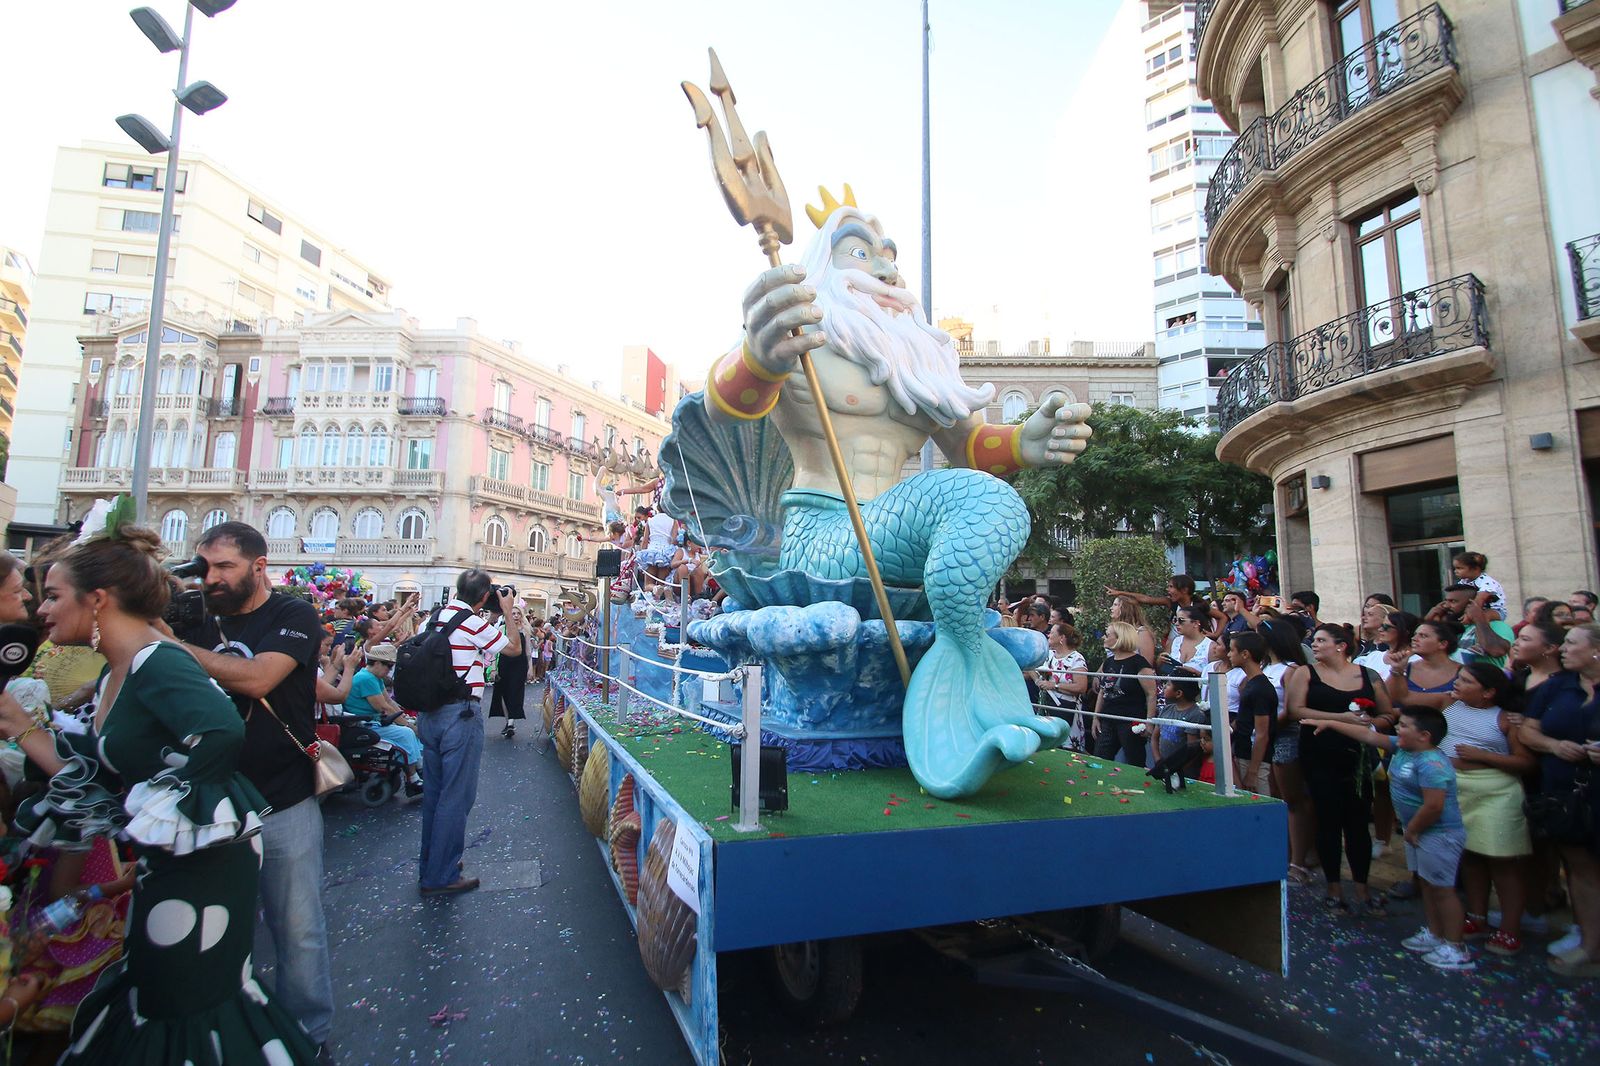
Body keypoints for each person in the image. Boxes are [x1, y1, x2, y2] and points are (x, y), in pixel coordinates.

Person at [0, 522, 317, 1061]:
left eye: (52, 595)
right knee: (159, 993)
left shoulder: (160, 658)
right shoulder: (120, 672)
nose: (40, 608)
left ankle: (313, 1030)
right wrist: (24, 730)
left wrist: (172, 813)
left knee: (223, 977)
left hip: (220, 847)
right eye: (205, 566)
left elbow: (223, 727)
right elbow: (97, 774)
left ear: (97, 600)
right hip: (165, 861)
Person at [169, 522, 334, 1051]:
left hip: (280, 796)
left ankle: (308, 1037)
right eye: (205, 567)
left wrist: (164, 647)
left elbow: (260, 678)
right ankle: (224, 1040)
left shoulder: (291, 614)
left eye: (224, 567)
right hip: (205, 800)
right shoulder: (190, 619)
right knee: (210, 932)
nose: (211, 578)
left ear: (258, 566)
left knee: (297, 929)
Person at [1313, 708, 1472, 971]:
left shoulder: (1432, 764)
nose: (1398, 729)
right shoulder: (1403, 748)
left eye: (1405, 725)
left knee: (1443, 890)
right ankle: (1434, 933)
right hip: (1418, 832)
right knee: (1427, 884)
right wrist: (1330, 722)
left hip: (1437, 834)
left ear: (1424, 735)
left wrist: (1411, 830)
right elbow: (1367, 735)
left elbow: (1434, 806)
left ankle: (1456, 946)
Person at [417, 571, 520, 895]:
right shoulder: (472, 624)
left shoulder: (434, 619)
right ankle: (442, 875)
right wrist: (506, 610)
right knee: (456, 796)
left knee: (434, 794)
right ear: (483, 596)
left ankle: (432, 865)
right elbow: (514, 648)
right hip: (459, 715)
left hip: (429, 714)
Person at [1285, 622, 1394, 915]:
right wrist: (1343, 717)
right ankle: (1334, 887)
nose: (1315, 645)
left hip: (1357, 756)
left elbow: (1387, 714)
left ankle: (1362, 887)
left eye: (1321, 640)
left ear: (1341, 645)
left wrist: (1369, 723)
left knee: (1358, 822)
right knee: (1327, 820)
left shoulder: (1366, 675)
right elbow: (1295, 710)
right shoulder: (1305, 673)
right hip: (1319, 754)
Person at [1434, 663, 1534, 956]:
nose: (1457, 682)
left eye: (1466, 680)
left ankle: (1509, 928)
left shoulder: (1504, 719)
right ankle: (1477, 917)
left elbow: (1525, 762)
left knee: (1501, 860)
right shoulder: (1449, 704)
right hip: (1456, 788)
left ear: (1488, 692)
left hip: (1495, 791)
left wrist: (1482, 756)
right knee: (1471, 856)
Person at [1520, 623, 1600, 977]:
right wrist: (1554, 746)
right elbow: (1527, 729)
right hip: (1566, 792)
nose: (1562, 649)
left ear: (1596, 650)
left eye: (1571, 643)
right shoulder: (1555, 687)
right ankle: (1589, 944)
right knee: (1580, 869)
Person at [1259, 619, 1313, 884]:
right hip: (1264, 736)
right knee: (1275, 797)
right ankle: (1282, 851)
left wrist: (1265, 727)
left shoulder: (1292, 669)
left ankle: (1298, 861)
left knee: (1293, 800)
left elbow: (1290, 710)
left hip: (1284, 737)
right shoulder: (1264, 666)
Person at [1091, 621, 1157, 766]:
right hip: (1108, 718)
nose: (1104, 637)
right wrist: (1096, 717)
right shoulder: (1108, 662)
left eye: (1108, 635)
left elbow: (1151, 694)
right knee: (1100, 758)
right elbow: (1103, 691)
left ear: (1119, 638)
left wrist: (1149, 722)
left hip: (1130, 720)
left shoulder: (1139, 663)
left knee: (1134, 761)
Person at [1104, 575, 1224, 640]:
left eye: (1171, 587)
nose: (1168, 590)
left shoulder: (1200, 605)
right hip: (1174, 643)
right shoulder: (1170, 603)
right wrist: (1119, 592)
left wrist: (1215, 634)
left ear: (1184, 590)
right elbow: (1146, 599)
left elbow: (1223, 617)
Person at [1229, 632, 1275, 795]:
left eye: (1232, 650)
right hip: (1243, 753)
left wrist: (1253, 772)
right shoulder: (1250, 684)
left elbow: (1262, 734)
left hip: (1254, 759)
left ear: (1245, 654)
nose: (1229, 655)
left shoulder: (1260, 688)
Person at [1430, 583, 1512, 667]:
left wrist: (1478, 618)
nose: (1446, 606)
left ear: (1471, 604)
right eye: (1446, 601)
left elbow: (1497, 650)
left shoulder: (1497, 625)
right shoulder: (1458, 628)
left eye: (1453, 601)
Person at [1037, 623, 1089, 749]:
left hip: (1065, 709)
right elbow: (1032, 670)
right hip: (1046, 706)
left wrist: (1054, 685)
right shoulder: (1048, 655)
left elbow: (1081, 687)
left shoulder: (1076, 659)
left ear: (1062, 638)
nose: (1049, 635)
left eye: (1052, 632)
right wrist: (1038, 681)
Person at [487, 601, 532, 739]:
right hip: (504, 664)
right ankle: (508, 721)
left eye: (518, 613)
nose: (516, 616)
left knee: (515, 692)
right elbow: (495, 650)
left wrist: (530, 668)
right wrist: (493, 667)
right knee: (503, 693)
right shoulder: (501, 629)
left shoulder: (525, 630)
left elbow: (528, 651)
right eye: (513, 613)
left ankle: (511, 723)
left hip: (520, 665)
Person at [1451, 552, 1507, 620]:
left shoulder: (1486, 582)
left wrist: (1469, 615)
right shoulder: (1463, 582)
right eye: (1455, 568)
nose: (1455, 571)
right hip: (1474, 609)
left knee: (1484, 615)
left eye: (1459, 568)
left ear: (1475, 569)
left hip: (1495, 611)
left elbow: (1479, 600)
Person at [1109, 595, 1159, 667]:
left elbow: (1147, 664)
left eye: (1115, 605)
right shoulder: (1113, 631)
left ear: (1125, 608)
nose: (1111, 608)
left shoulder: (1142, 633)